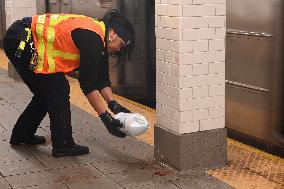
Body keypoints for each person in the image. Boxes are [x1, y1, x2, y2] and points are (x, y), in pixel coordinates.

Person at [3, 9, 135, 158]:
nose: (119, 49)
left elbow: (102, 78)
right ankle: (63, 144)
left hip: (21, 39)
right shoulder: (93, 38)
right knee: (58, 88)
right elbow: (88, 84)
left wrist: (113, 105)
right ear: (112, 35)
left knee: (45, 93)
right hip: (21, 41)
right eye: (121, 44)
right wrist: (106, 118)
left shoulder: (100, 38)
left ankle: (22, 135)